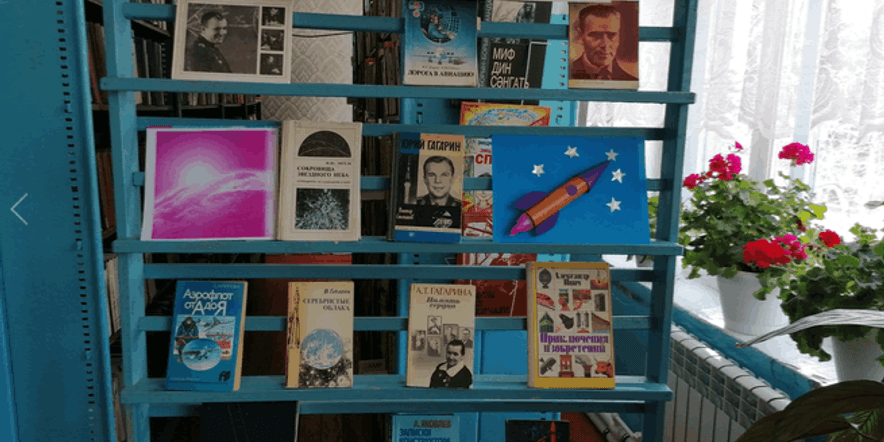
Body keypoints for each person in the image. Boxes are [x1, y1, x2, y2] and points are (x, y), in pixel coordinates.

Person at [570, 4, 637, 81]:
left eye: (611, 35)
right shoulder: (566, 74)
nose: (605, 44)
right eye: (595, 35)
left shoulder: (631, 81)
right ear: (581, 36)